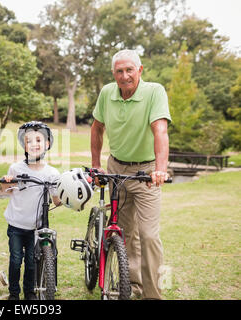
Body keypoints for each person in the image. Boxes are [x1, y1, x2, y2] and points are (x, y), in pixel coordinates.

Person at [90, 49, 171, 300]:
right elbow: (97, 128)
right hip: (116, 169)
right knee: (124, 232)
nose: (124, 76)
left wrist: (160, 168)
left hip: (146, 173)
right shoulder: (107, 93)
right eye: (119, 71)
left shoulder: (154, 91)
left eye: (129, 70)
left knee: (148, 235)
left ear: (140, 70)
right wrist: (96, 165)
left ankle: (152, 295)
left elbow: (160, 130)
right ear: (114, 73)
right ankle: (132, 285)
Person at [0, 121, 61, 300]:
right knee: (16, 260)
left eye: (38, 140)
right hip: (16, 225)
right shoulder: (17, 168)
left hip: (36, 227)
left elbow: (56, 199)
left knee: (32, 263)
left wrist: (64, 200)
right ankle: (13, 293)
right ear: (24, 146)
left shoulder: (52, 173)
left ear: (47, 144)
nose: (34, 144)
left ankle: (30, 292)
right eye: (29, 141)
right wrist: (8, 180)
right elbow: (5, 189)